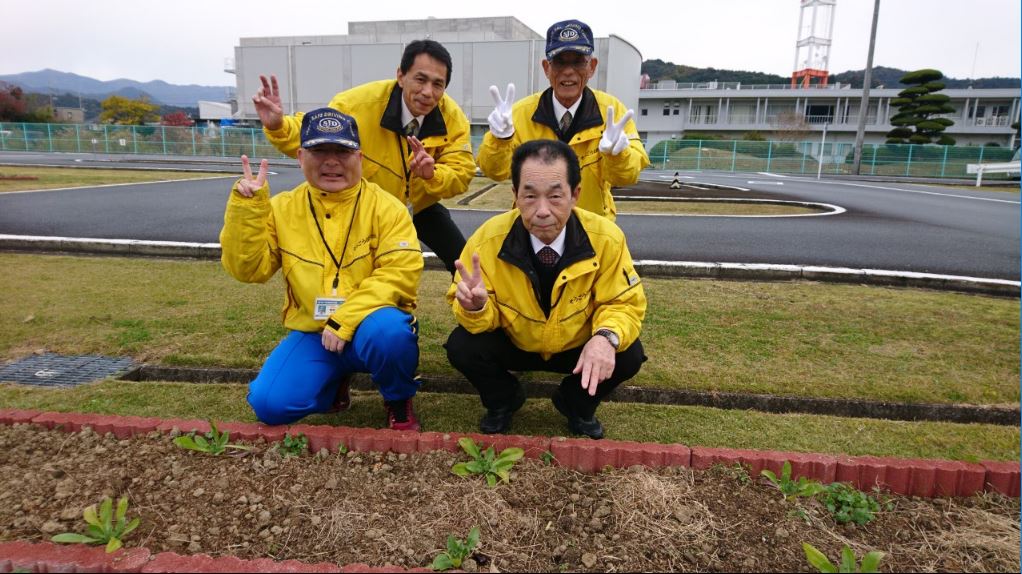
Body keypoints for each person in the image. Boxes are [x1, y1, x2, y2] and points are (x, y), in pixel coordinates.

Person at [220, 108, 424, 431]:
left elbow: (400, 274)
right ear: (301, 156)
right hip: (316, 334)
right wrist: (248, 210)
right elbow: (249, 270)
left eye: (342, 151)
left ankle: (398, 398)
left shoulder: (387, 208)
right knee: (268, 404)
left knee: (391, 335)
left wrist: (345, 319)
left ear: (360, 156)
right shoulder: (282, 209)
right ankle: (332, 384)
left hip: (369, 327)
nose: (331, 161)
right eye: (319, 151)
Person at [446, 139, 647, 439]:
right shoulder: (487, 239)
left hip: (575, 345)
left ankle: (575, 404)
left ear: (575, 194)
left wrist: (605, 337)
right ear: (514, 195)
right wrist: (476, 307)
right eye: (529, 196)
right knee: (461, 346)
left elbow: (623, 302)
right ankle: (504, 400)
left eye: (555, 196)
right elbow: (469, 308)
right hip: (517, 341)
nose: (542, 211)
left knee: (627, 352)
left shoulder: (607, 238)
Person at [253, 40, 475, 275]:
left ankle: (472, 309)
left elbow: (462, 173)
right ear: (401, 76)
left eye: (438, 84)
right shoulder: (356, 104)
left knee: (465, 265)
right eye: (420, 79)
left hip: (420, 207)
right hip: (365, 206)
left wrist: (433, 175)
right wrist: (279, 126)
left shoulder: (452, 117)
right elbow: (315, 132)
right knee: (361, 270)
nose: (428, 92)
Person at [477, 19, 650, 221]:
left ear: (592, 66)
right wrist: (499, 140)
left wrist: (618, 155)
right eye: (559, 61)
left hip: (591, 226)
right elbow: (495, 172)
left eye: (578, 62)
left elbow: (627, 177)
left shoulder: (613, 112)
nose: (568, 71)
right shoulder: (519, 114)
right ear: (546, 67)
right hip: (534, 226)